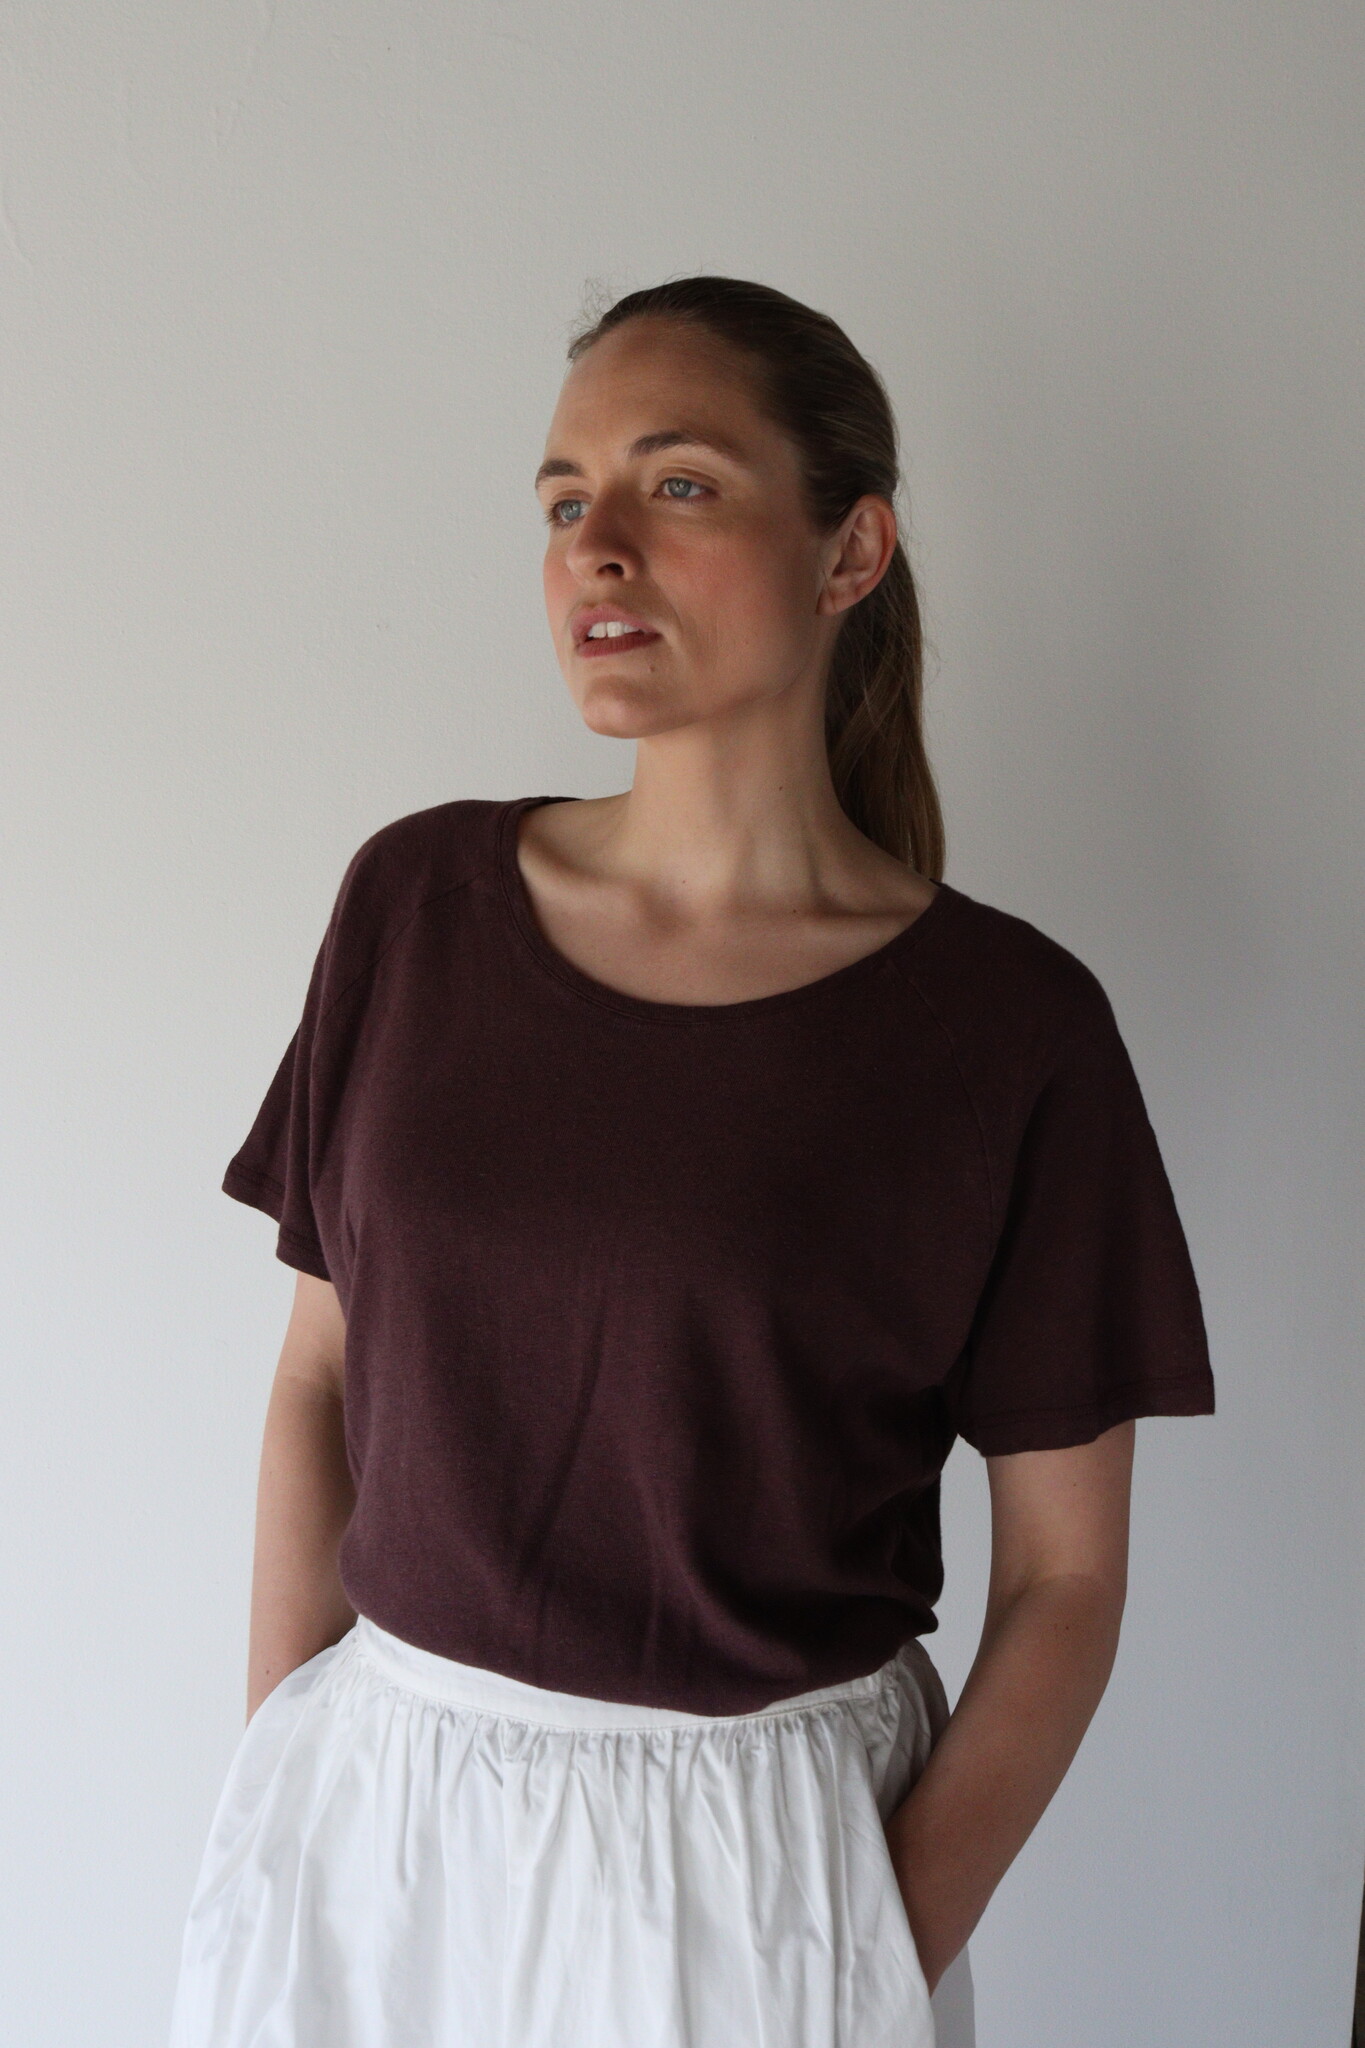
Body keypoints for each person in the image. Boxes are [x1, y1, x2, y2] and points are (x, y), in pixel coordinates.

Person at [168, 275, 1215, 2048]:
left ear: (849, 550)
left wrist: (861, 1945)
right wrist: (281, 1773)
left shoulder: (1006, 1030)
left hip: (760, 1876)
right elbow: (319, 1380)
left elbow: (1066, 1580)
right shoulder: (415, 906)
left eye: (678, 484)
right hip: (367, 1839)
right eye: (562, 500)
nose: (596, 546)